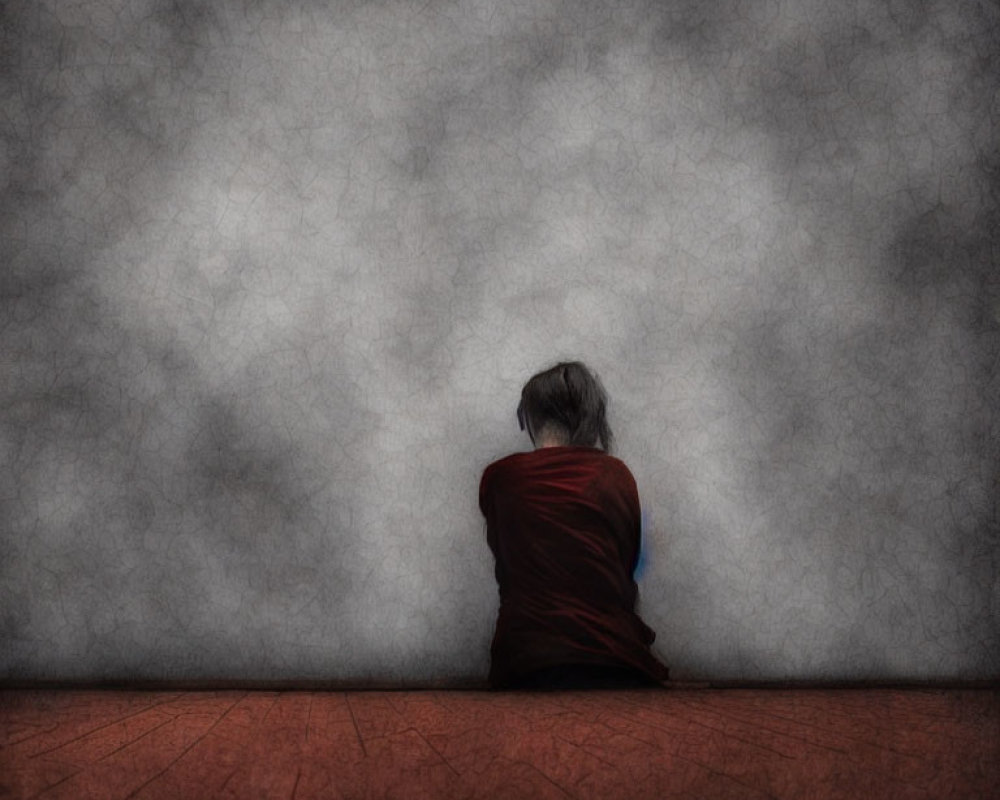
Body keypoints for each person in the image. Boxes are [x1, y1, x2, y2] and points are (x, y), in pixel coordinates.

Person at [479, 361, 670, 690]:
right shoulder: (615, 475)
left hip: (526, 662)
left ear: (531, 418)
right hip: (614, 659)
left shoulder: (501, 478)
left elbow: (507, 568)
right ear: (591, 418)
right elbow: (625, 569)